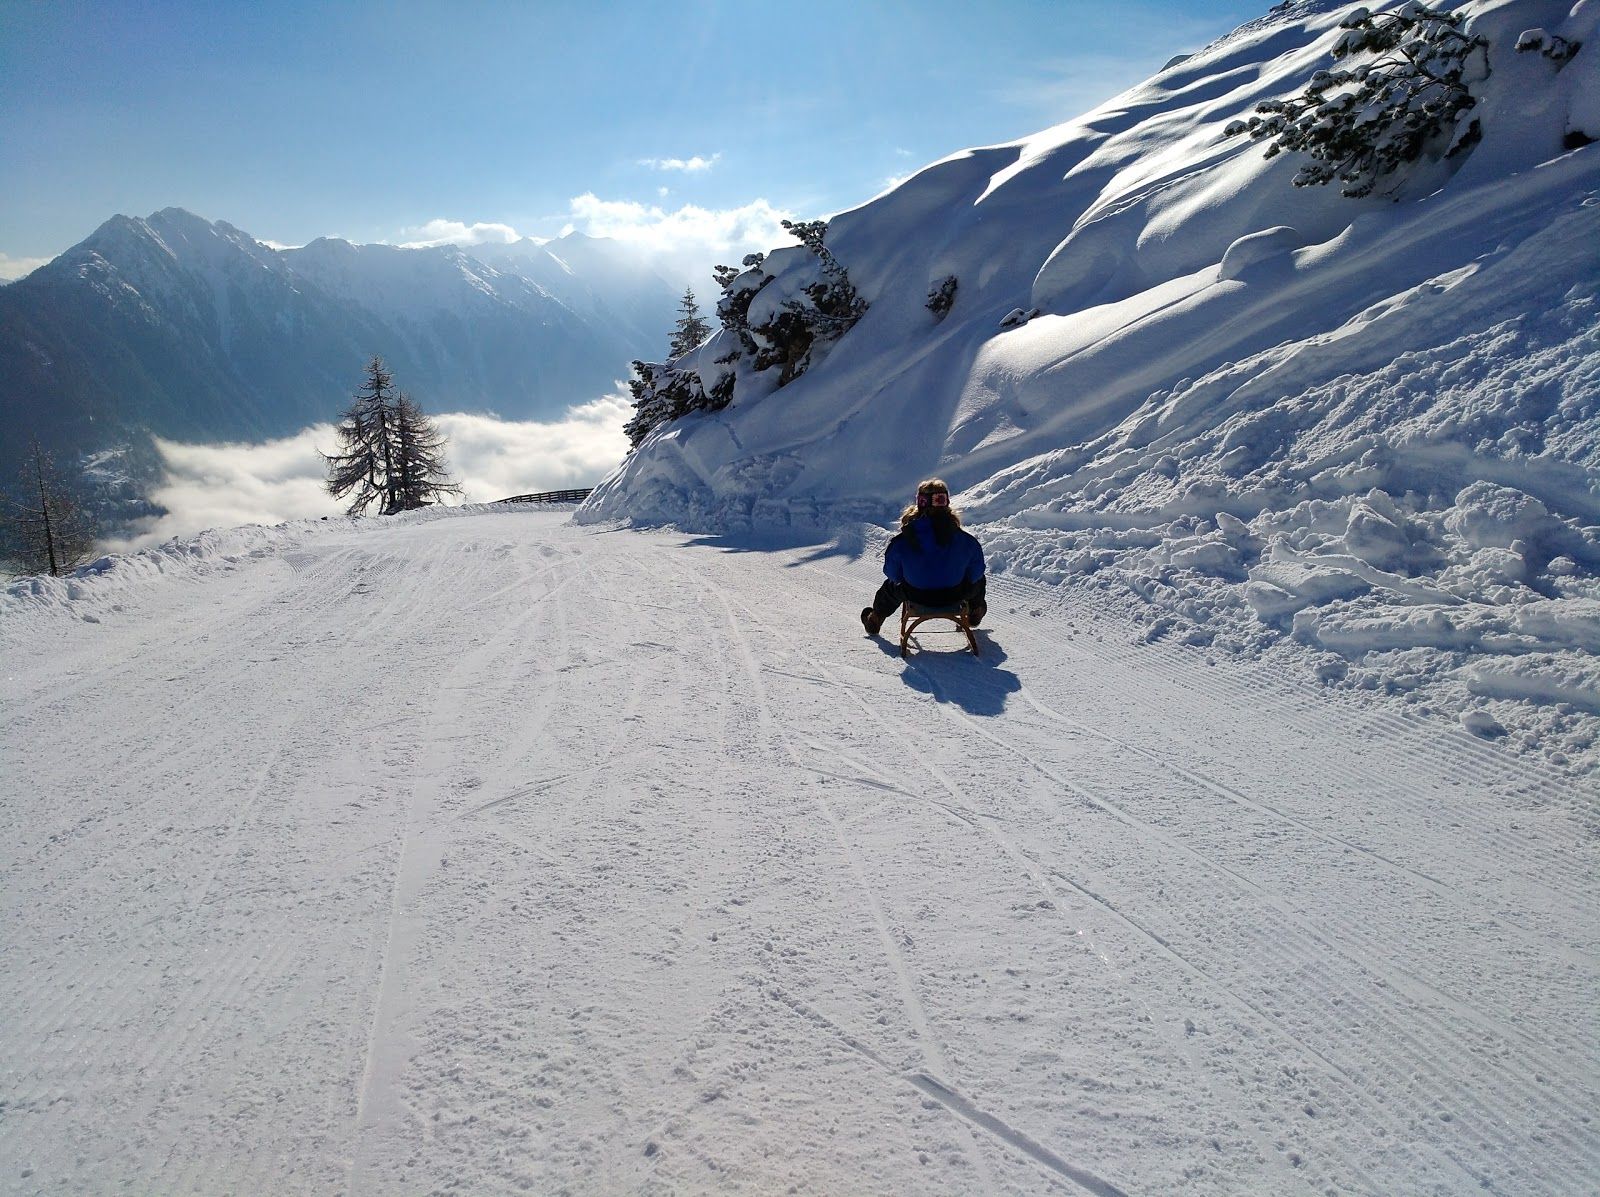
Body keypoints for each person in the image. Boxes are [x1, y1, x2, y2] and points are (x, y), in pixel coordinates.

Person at [861, 478, 987, 635]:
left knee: (890, 588)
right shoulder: (965, 540)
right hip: (955, 595)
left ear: (920, 503)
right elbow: (976, 571)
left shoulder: (903, 540)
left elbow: (892, 573)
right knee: (979, 580)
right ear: (945, 503)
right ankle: (976, 608)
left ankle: (876, 617)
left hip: (916, 595)